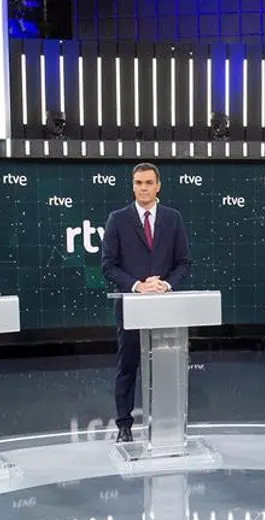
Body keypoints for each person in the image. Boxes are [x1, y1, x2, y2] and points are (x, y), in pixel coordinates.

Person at [101, 162, 191, 443]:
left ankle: (167, 423)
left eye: (149, 183)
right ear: (133, 186)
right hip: (131, 305)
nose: (143, 188)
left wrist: (165, 284)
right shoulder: (118, 219)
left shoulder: (173, 218)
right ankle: (124, 425)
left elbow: (183, 263)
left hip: (165, 306)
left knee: (165, 364)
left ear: (158, 186)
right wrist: (138, 286)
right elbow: (108, 265)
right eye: (138, 183)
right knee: (128, 365)